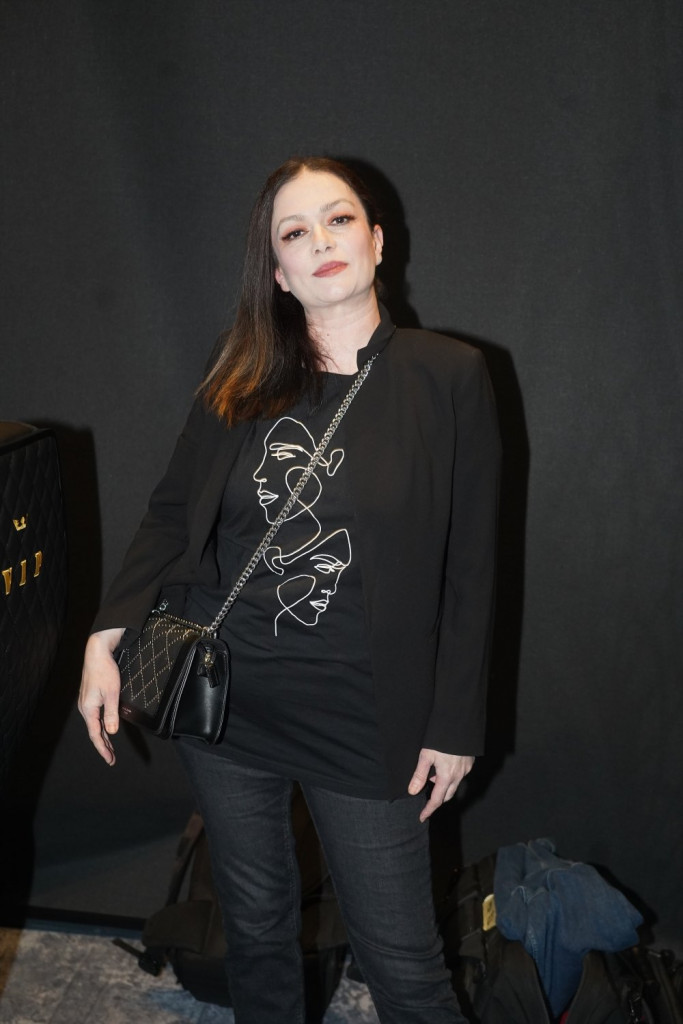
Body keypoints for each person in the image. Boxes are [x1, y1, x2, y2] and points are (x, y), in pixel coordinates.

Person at [79, 156, 501, 1024]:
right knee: (256, 927)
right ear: (277, 271)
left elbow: (472, 565)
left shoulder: (449, 375)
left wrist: (454, 722)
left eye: (338, 220)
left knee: (405, 968)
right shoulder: (241, 371)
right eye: (294, 232)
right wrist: (105, 634)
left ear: (377, 241)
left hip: (365, 714)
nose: (320, 242)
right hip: (227, 701)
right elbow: (171, 512)